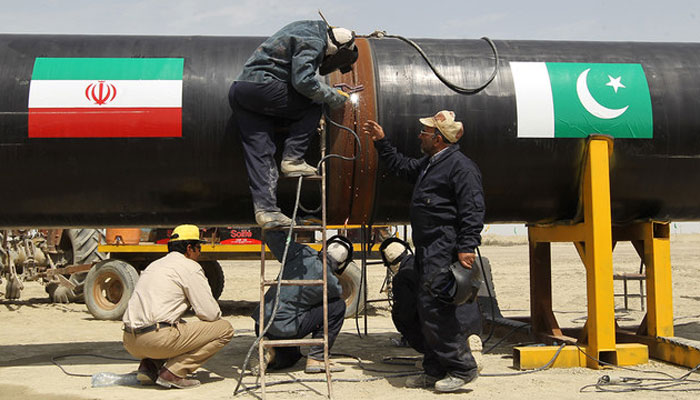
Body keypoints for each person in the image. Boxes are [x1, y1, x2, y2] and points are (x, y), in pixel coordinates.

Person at [363, 110, 485, 392]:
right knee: (421, 307)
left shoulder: (460, 167)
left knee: (435, 308)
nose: (421, 135)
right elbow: (401, 166)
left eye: (426, 132)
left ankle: (462, 367)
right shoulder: (431, 163)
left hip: (444, 247)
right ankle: (434, 368)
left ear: (439, 139)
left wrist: (467, 246)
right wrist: (382, 141)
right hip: (427, 247)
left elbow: (473, 209)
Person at [230, 20, 359, 228]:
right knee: (315, 103)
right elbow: (303, 81)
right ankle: (293, 159)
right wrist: (332, 96)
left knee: (260, 152)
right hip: (263, 86)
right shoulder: (315, 41)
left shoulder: (307, 27)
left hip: (242, 90)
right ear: (338, 50)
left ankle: (266, 211)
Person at [122, 224, 234, 389]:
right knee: (224, 329)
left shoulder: (155, 265)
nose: (199, 253)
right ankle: (173, 373)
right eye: (198, 248)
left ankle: (149, 367)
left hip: (130, 340)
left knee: (177, 324)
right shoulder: (189, 267)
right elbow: (210, 314)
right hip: (156, 340)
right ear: (189, 248)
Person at [379, 237, 483, 372]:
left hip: (445, 328)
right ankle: (466, 342)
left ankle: (436, 356)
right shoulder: (430, 263)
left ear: (390, 264)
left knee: (409, 316)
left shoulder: (402, 278)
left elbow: (406, 313)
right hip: (473, 321)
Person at [253, 230, 350, 373]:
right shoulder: (331, 284)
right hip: (285, 329)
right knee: (338, 306)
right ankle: (317, 358)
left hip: (261, 323)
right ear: (342, 264)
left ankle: (272, 353)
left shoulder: (300, 252)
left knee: (293, 355)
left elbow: (275, 238)